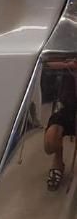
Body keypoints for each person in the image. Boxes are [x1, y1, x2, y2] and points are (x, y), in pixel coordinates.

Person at [43, 60, 77, 191]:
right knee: (50, 142)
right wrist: (67, 65)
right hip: (65, 107)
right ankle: (58, 161)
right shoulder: (64, 41)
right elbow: (46, 63)